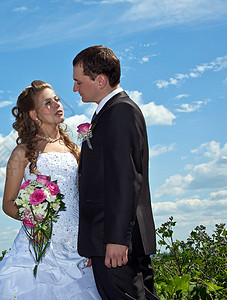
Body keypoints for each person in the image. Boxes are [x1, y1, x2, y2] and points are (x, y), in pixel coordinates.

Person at [0, 80, 101, 300]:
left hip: (77, 247)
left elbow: (85, 199)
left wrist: (90, 242)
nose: (56, 105)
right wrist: (35, 218)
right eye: (47, 103)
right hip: (39, 244)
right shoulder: (22, 152)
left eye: (57, 100)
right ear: (34, 115)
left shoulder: (75, 149)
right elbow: (8, 203)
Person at [73, 45, 158, 300]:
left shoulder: (120, 112)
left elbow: (125, 178)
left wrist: (117, 239)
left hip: (116, 241)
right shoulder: (108, 113)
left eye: (78, 81)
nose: (75, 88)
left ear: (100, 80)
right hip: (109, 238)